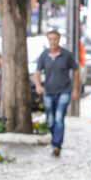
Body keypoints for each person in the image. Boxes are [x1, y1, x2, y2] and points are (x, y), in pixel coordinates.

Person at [34, 29, 79, 157]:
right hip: (48, 91)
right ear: (48, 40)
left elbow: (76, 70)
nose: (53, 42)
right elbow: (37, 72)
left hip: (64, 91)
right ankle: (55, 140)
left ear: (59, 39)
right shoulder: (44, 56)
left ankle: (56, 145)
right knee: (51, 120)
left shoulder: (66, 55)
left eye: (55, 39)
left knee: (59, 117)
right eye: (50, 39)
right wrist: (38, 86)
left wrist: (75, 89)